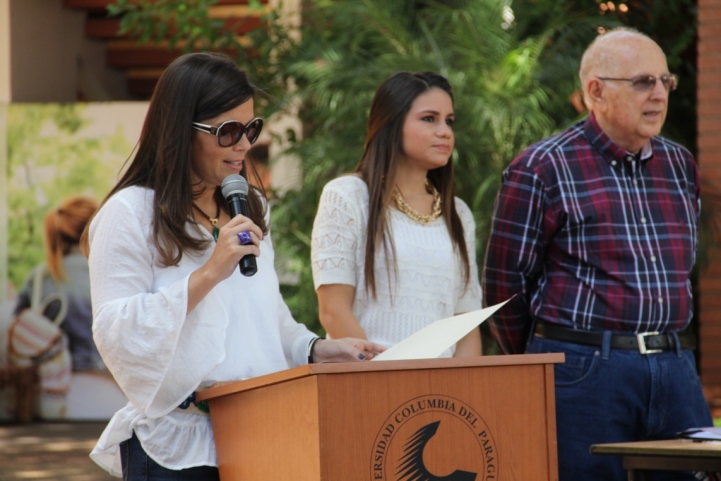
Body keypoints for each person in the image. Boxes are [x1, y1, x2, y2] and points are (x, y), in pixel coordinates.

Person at [84, 52, 384, 480]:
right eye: (228, 131)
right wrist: (209, 272)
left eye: (250, 128)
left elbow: (266, 319)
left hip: (262, 437)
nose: (244, 144)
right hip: (179, 449)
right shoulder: (130, 213)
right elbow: (115, 331)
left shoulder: (249, 206)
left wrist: (317, 350)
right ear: (178, 130)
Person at [482, 28, 713, 481]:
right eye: (643, 82)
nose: (659, 95)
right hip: (584, 375)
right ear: (596, 91)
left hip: (674, 366)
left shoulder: (679, 164)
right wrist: (557, 356)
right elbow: (503, 288)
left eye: (666, 81)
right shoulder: (541, 167)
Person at [311, 71, 482, 357]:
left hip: (440, 397)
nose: (445, 131)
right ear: (391, 123)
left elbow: (465, 326)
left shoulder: (458, 213)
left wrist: (461, 392)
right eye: (429, 118)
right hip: (366, 381)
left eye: (449, 121)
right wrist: (387, 380)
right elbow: (332, 311)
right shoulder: (347, 196)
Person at [13, 195, 104, 373]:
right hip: (109, 384)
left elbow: (18, 332)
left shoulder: (40, 277)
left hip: (53, 385)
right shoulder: (113, 273)